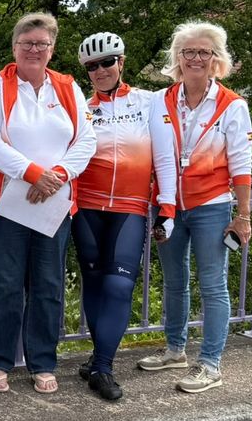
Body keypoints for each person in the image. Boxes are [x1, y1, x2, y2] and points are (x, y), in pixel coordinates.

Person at [0, 12, 96, 394]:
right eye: (27, 43)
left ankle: (43, 361)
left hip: (54, 203)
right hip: (7, 204)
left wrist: (56, 175)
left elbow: (87, 140)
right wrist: (32, 174)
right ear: (14, 47)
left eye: (41, 44)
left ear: (52, 49)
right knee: (6, 284)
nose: (34, 50)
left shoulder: (68, 87)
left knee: (48, 283)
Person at [143, 21, 252, 393]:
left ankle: (210, 363)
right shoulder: (159, 100)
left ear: (216, 59)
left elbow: (241, 163)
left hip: (212, 205)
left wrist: (243, 216)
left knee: (212, 285)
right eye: (188, 51)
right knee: (174, 282)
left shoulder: (232, 105)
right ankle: (175, 349)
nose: (195, 58)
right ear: (177, 58)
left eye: (203, 52)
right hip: (170, 205)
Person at [71, 32, 175, 401]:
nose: (100, 71)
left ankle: (102, 367)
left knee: (119, 286)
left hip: (129, 208)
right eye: (92, 66)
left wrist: (167, 205)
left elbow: (164, 155)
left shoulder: (149, 102)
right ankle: (99, 362)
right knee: (95, 283)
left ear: (122, 63)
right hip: (86, 206)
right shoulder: (82, 107)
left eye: (107, 62)